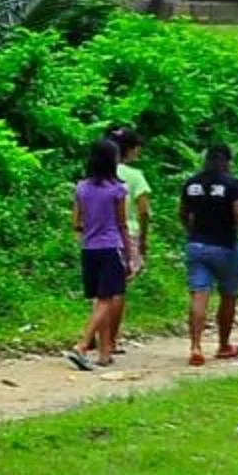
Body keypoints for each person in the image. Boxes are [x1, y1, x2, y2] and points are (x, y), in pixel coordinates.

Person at [177, 143, 238, 365]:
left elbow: (182, 213)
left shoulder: (191, 183)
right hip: (226, 247)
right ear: (228, 162)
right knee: (228, 296)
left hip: (196, 246)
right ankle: (223, 345)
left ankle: (195, 346)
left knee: (199, 294)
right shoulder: (232, 184)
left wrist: (191, 231)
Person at [67, 140, 131, 371]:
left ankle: (105, 352)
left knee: (100, 299)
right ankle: (83, 345)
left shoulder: (81, 188)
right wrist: (129, 253)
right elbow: (122, 224)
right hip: (111, 247)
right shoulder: (117, 189)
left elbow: (76, 222)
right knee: (107, 300)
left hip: (89, 248)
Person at [107, 126, 155, 293]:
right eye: (136, 149)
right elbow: (144, 211)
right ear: (129, 150)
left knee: (105, 286)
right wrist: (144, 240)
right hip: (128, 234)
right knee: (119, 287)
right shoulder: (135, 176)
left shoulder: (96, 174)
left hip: (100, 235)